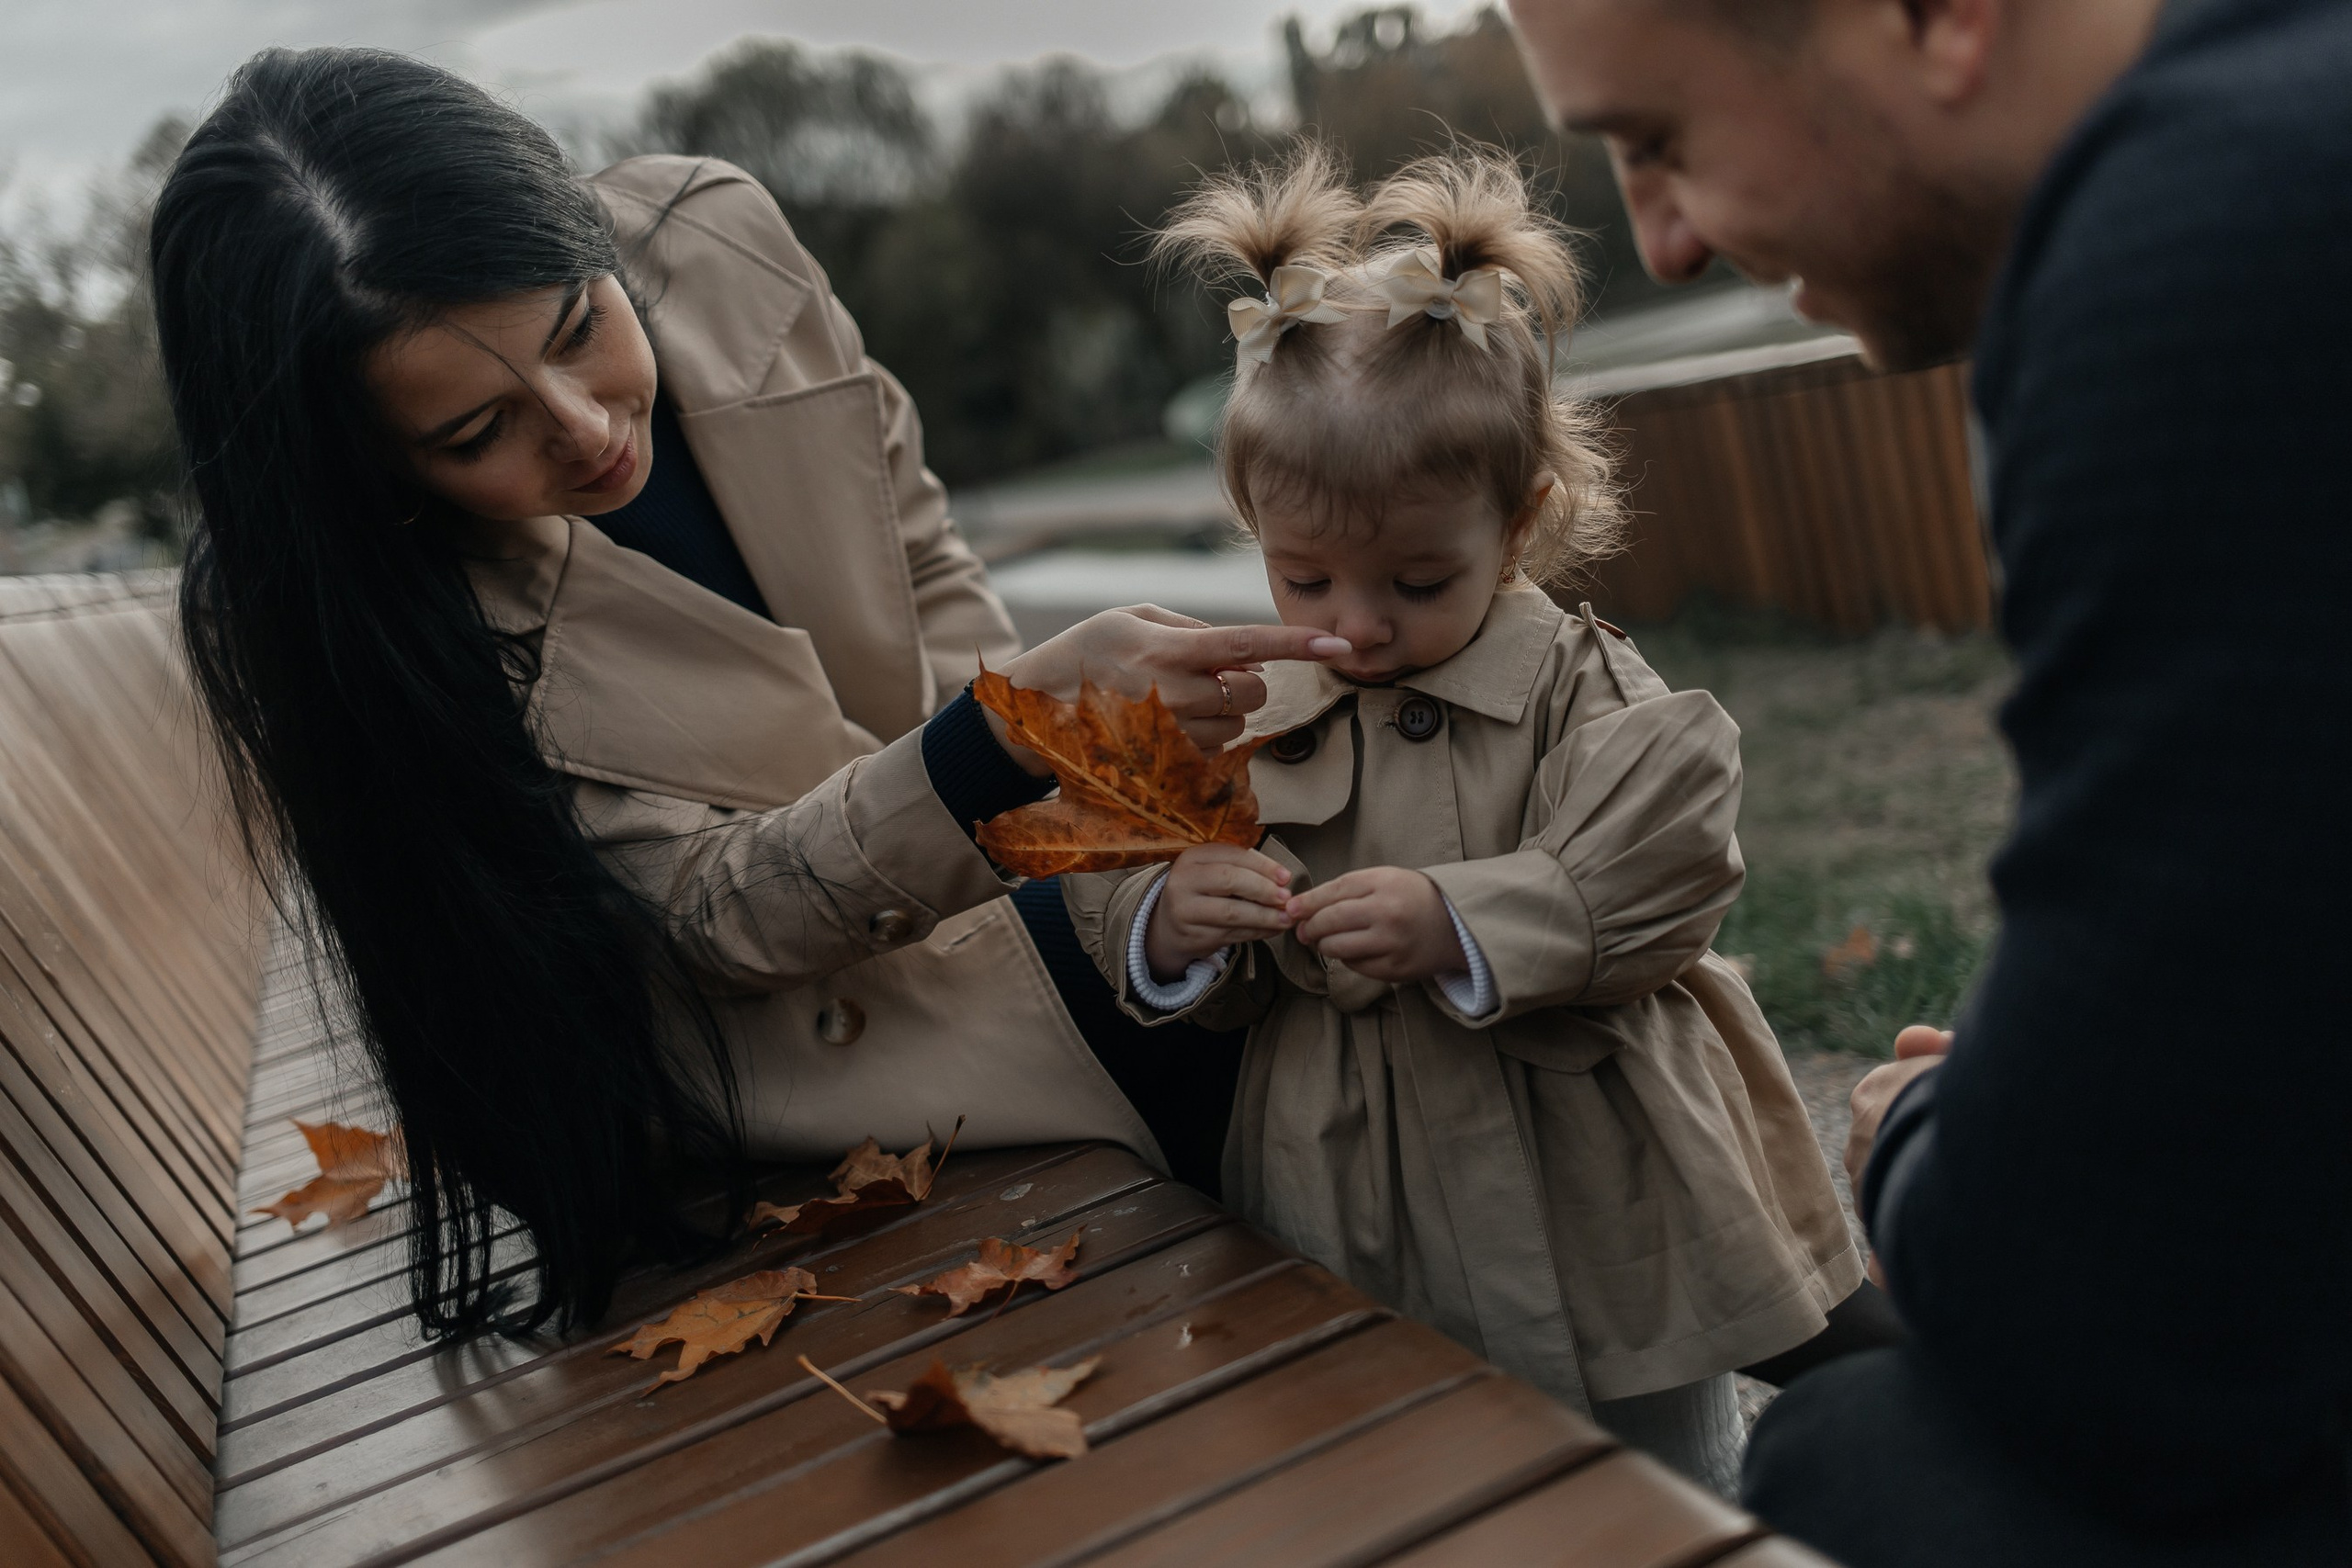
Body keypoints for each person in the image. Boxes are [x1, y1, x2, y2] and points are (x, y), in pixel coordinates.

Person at [149, 47, 1345, 1338]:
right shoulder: (375, 617)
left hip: (977, 879)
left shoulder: (712, 242)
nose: (587, 428)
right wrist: (1002, 743)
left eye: (580, 326)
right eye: (475, 434)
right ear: (367, 464)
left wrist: (1050, 790)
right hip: (790, 1046)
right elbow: (708, 922)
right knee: (1273, 970)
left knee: (1371, 824)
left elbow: (923, 557)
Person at [1506, 0, 2352, 1560]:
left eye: (1660, 143)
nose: (1666, 241)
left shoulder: (2200, 248)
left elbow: (2106, 1322)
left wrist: (1918, 1140)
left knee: (1862, 1459)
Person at [1060, 146, 1864, 1495]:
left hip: (1595, 1156)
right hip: (1353, 1176)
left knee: (1653, 1460)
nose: (1360, 624)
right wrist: (1165, 922)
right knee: (1414, 1461)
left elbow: (1670, 849)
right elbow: (1118, 850)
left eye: (1418, 580)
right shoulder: (1241, 702)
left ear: (1524, 520)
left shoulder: (1575, 677)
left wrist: (1469, 917)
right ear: (1252, 521)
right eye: (1306, 573)